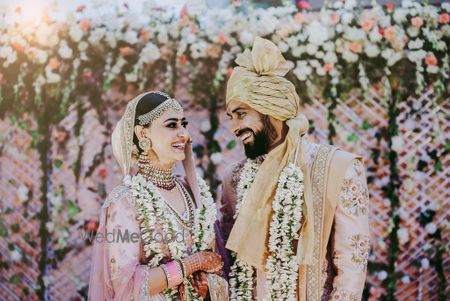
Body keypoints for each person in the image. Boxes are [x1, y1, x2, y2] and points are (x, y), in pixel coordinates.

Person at [216, 37, 370, 300]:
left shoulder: (339, 168)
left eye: (241, 114)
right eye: (231, 117)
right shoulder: (234, 178)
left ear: (271, 109)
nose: (234, 127)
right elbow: (228, 264)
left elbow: (351, 270)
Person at [88, 91, 228, 300]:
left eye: (184, 125)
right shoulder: (126, 200)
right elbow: (125, 284)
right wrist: (191, 264)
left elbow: (217, 263)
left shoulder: (193, 191)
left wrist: (208, 281)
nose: (183, 134)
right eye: (172, 125)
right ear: (143, 134)